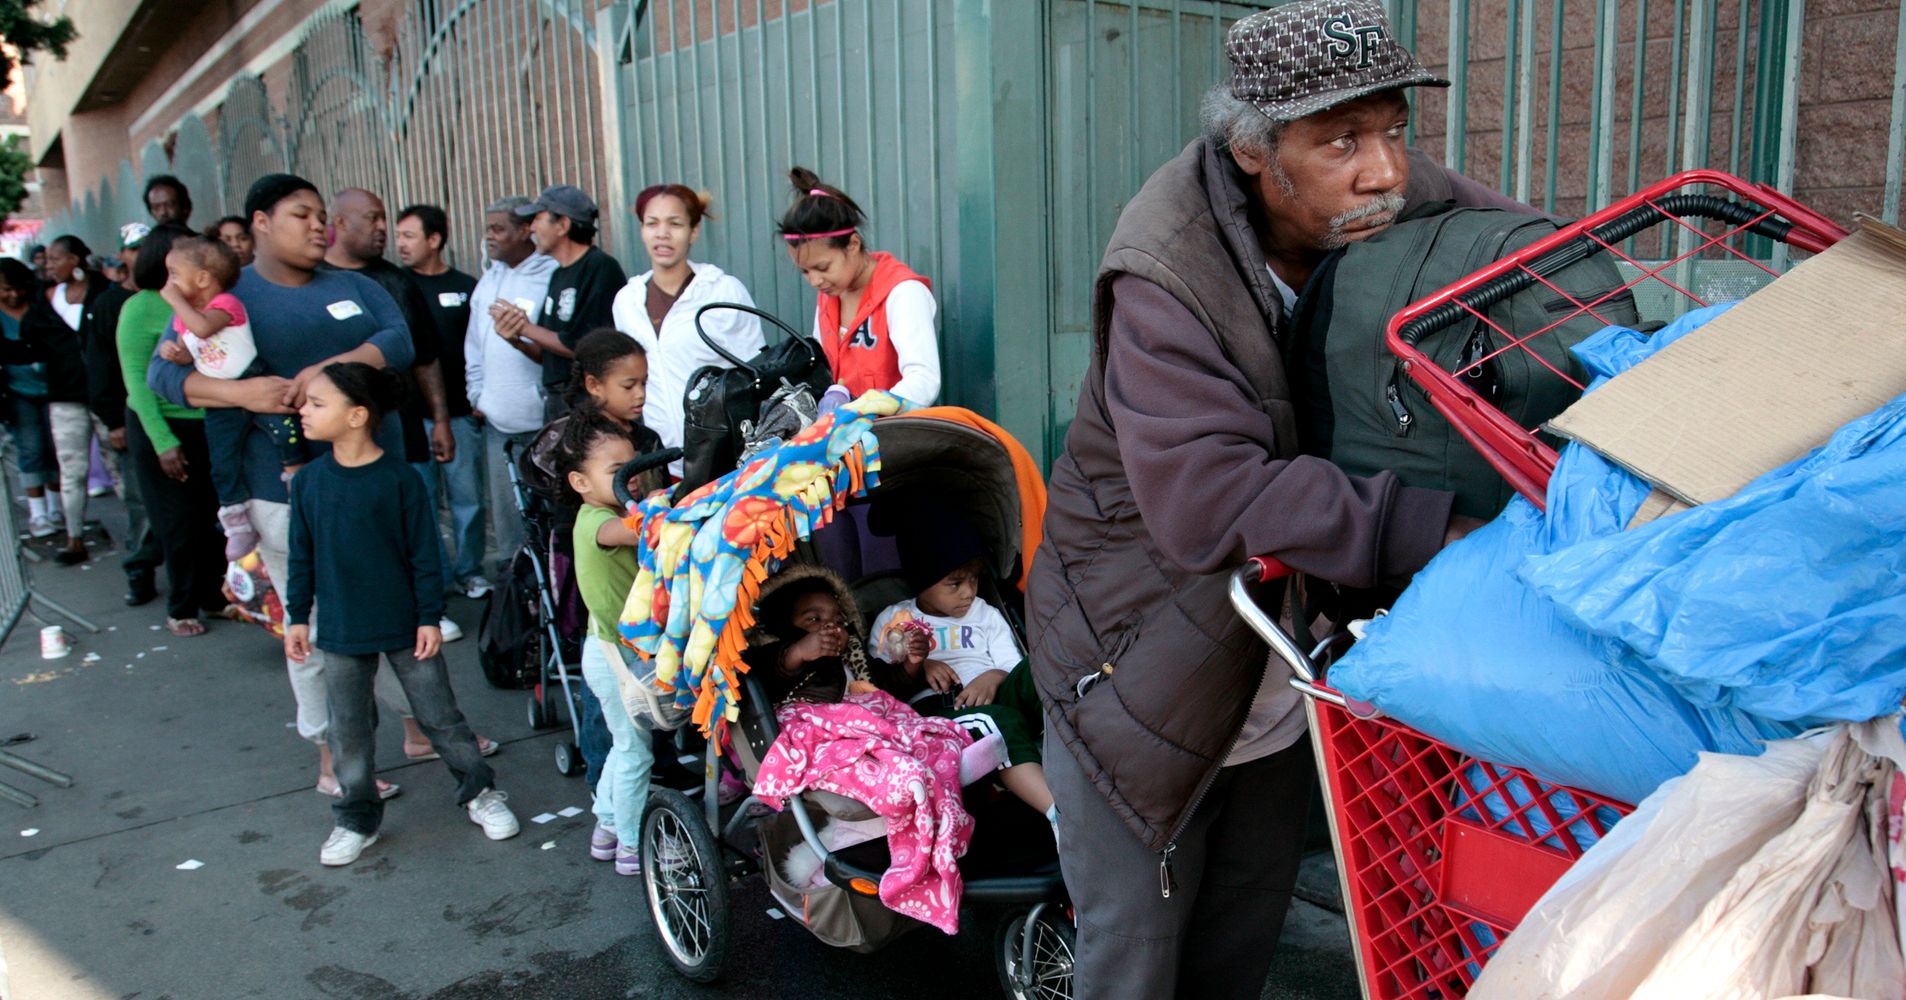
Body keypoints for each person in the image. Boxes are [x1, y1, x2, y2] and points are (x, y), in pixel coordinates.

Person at [1027, 3, 1531, 996]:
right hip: (1136, 654)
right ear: (1255, 150)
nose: (1382, 167)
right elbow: (1211, 497)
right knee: (1136, 950)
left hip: (1273, 645)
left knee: (1239, 939)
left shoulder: (1379, 189)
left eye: (1392, 129)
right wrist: (1444, 531)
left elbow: (1525, 248)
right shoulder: (1168, 266)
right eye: (1342, 139)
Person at [149, 172, 421, 797]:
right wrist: (239, 392)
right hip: (283, 492)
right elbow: (164, 377)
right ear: (261, 223)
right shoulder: (226, 296)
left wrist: (326, 369)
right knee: (317, 625)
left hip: (378, 484)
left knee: (397, 608)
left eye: (323, 214)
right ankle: (332, 755)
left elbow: (398, 341)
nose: (319, 225)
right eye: (302, 214)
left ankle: (420, 726)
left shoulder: (354, 285)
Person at [285, 361, 519, 866]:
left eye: (317, 403)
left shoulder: (399, 480)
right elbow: (301, 556)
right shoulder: (308, 483)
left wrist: (429, 616)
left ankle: (480, 793)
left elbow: (423, 555)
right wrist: (297, 616)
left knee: (440, 717)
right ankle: (356, 818)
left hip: (407, 624)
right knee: (347, 728)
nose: (303, 411)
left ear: (357, 416)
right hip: (342, 629)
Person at [320, 188, 464, 641]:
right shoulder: (316, 280)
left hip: (402, 430)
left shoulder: (397, 282)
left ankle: (428, 611)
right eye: (374, 218)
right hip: (333, 440)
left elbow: (424, 357)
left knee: (414, 516)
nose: (384, 228)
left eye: (386, 218)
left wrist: (440, 419)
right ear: (340, 223)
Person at [871, 502, 1054, 828]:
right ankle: (1060, 816)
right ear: (922, 582)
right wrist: (920, 665)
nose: (969, 592)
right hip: (940, 710)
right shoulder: (896, 620)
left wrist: (994, 675)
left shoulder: (985, 613)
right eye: (955, 584)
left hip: (996, 692)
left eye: (974, 580)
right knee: (997, 721)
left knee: (1045, 666)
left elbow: (1013, 666)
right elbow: (882, 691)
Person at [156, 235, 310, 561]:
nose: (168, 282)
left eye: (174, 274)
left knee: (287, 434)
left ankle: (298, 485)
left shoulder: (226, 304)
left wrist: (174, 301)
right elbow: (194, 349)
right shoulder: (186, 316)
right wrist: (176, 353)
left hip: (252, 376)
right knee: (222, 459)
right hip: (222, 399)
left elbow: (202, 330)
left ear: (202, 279)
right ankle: (236, 521)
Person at [552, 405, 654, 875]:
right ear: (580, 482)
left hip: (607, 650)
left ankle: (608, 825)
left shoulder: (616, 509)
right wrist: (668, 512)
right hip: (614, 658)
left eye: (634, 468)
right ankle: (633, 846)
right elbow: (629, 533)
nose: (631, 479)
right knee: (635, 752)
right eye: (617, 471)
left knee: (621, 744)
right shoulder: (596, 521)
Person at [118, 224, 229, 635]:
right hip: (160, 426)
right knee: (179, 523)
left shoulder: (213, 304)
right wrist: (163, 442)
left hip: (210, 420)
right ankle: (181, 607)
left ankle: (215, 598)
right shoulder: (139, 308)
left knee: (215, 517)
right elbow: (136, 382)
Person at [609, 184, 763, 472]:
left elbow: (755, 374)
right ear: (642, 229)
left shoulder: (722, 292)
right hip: (660, 461)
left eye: (675, 224)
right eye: (652, 223)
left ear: (693, 231)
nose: (662, 233)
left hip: (726, 461)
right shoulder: (626, 301)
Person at [777, 167, 939, 406]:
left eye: (822, 268)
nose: (814, 281)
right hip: (840, 436)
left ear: (853, 244)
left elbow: (924, 379)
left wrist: (867, 408)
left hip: (897, 435)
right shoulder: (829, 292)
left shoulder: (903, 292)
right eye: (805, 271)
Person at [396, 203, 488, 599]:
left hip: (462, 415)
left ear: (435, 240)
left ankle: (469, 571)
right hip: (411, 418)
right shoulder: (395, 286)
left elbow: (482, 347)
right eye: (397, 235)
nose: (400, 244)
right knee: (422, 503)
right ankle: (434, 579)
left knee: (467, 499)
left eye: (409, 236)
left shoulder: (468, 287)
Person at [465, 196, 556, 575]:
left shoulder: (552, 274)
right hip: (497, 424)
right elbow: (474, 344)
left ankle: (551, 597)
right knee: (507, 522)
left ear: (526, 230)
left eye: (498, 228)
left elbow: (555, 346)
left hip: (541, 424)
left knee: (549, 518)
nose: (490, 237)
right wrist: (477, 394)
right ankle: (514, 601)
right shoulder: (489, 280)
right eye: (488, 228)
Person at [490, 184, 626, 413]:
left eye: (538, 219)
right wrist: (516, 338)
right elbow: (547, 352)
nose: (532, 229)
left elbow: (585, 346)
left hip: (587, 400)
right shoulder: (558, 274)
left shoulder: (600, 267)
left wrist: (524, 327)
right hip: (557, 401)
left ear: (563, 225)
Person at [88, 223, 163, 605]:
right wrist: (114, 420)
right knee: (139, 501)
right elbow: (101, 366)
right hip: (131, 415)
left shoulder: (173, 298)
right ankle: (140, 569)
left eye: (147, 247)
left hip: (175, 415)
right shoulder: (109, 304)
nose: (141, 254)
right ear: (123, 255)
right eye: (134, 248)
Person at [40, 235, 108, 564]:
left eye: (55, 258)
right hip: (65, 395)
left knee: (121, 469)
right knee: (72, 469)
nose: (49, 265)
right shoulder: (48, 297)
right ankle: (74, 537)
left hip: (104, 395)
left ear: (75, 260)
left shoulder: (101, 291)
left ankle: (142, 540)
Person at [0, 260, 61, 538]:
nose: (13, 296)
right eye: (5, 290)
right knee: (31, 448)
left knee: (53, 448)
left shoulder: (41, 307)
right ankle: (38, 514)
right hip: (17, 393)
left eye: (17, 289)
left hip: (53, 389)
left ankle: (56, 507)